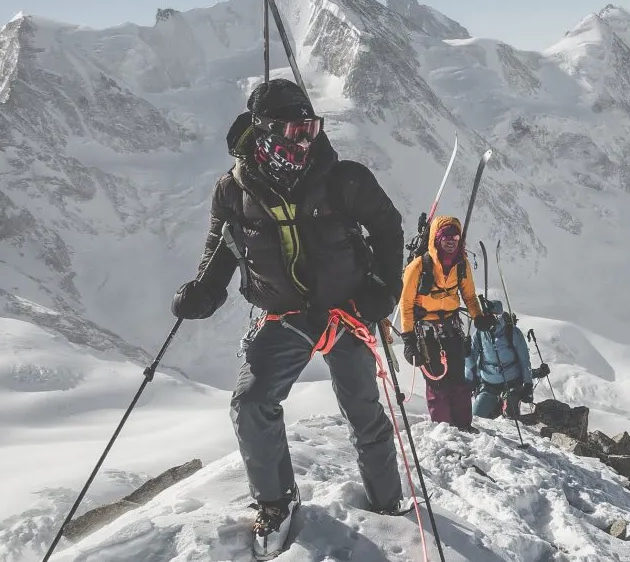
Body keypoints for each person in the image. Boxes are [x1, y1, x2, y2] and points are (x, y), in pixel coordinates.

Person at [169, 79, 406, 554]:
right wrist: (201, 294)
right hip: (284, 316)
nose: (307, 139)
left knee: (364, 412)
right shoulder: (232, 193)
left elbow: (387, 225)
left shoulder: (344, 178)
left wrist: (384, 288)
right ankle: (275, 503)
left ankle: (388, 505)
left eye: (312, 127)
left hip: (349, 311)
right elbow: (220, 253)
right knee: (252, 402)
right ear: (264, 132)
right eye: (296, 129)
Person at [397, 216, 495, 431]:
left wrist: (478, 316)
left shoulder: (462, 265)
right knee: (437, 382)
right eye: (446, 237)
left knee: (458, 380)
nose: (451, 241)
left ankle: (463, 426)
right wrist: (409, 340)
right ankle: (444, 428)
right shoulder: (418, 266)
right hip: (426, 331)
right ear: (436, 238)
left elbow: (469, 296)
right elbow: (405, 304)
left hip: (452, 328)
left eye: (455, 237)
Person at [466, 298, 550, 419]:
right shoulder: (479, 334)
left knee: (510, 416)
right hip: (488, 384)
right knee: (476, 417)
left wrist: (528, 385)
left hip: (512, 383)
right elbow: (470, 364)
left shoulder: (513, 333)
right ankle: (496, 408)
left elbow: (524, 361)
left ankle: (504, 408)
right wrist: (467, 354)